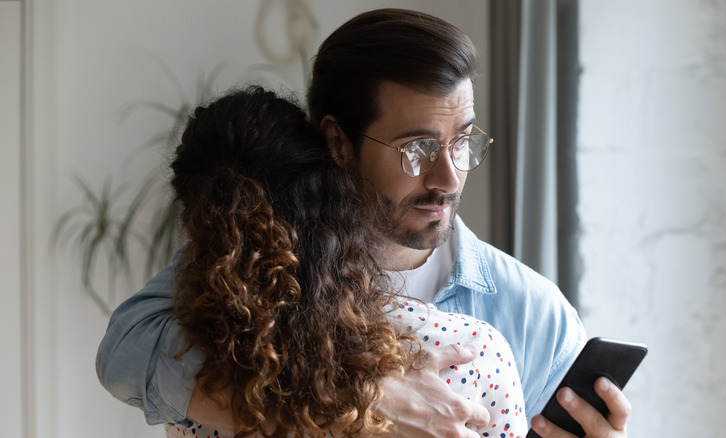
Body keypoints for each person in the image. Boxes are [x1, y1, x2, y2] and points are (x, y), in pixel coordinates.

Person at [97, 8, 632, 438]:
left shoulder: (533, 314)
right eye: (417, 148)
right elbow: (126, 357)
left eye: (463, 142)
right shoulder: (257, 263)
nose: (448, 177)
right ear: (338, 143)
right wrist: (357, 402)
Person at [156, 85, 528, 437]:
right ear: (331, 188)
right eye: (417, 147)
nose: (447, 178)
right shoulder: (471, 353)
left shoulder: (189, 364)